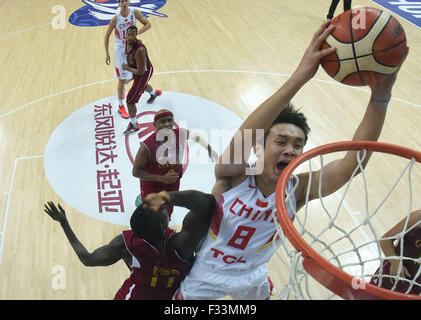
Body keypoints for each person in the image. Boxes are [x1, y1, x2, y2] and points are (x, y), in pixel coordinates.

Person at [174, 20, 409, 300]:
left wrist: (381, 97)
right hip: (208, 273)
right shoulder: (232, 175)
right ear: (259, 148)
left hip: (254, 275)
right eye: (281, 141)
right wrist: (301, 76)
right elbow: (248, 131)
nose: (290, 150)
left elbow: (351, 165)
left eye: (298, 145)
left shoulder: (296, 189)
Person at [43, 189, 217, 300]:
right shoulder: (181, 245)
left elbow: (87, 259)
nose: (166, 209)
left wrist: (64, 223)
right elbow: (207, 204)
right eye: (163, 209)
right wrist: (168, 197)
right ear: (165, 226)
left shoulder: (125, 244)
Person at [132, 109, 218, 217]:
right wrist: (161, 178)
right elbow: (136, 171)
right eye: (162, 121)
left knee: (167, 211)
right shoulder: (147, 147)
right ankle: (143, 199)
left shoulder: (181, 133)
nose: (167, 124)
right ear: (155, 125)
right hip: (153, 185)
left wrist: (210, 150)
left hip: (173, 182)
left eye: (170, 121)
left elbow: (197, 137)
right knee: (151, 214)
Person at [104, 0, 157, 119]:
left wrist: (137, 32)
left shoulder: (134, 13)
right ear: (119, 4)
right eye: (121, 1)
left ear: (128, 2)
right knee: (122, 79)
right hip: (120, 50)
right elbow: (107, 36)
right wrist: (107, 54)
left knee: (136, 77)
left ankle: (153, 92)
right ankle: (121, 106)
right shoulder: (116, 18)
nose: (124, 3)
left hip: (132, 48)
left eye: (126, 0)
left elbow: (148, 24)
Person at [369, 209, 421, 295]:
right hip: (392, 275)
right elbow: (386, 240)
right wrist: (395, 262)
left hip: (414, 288)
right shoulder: (418, 217)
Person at [122, 25, 162, 135]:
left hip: (144, 72)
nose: (130, 37)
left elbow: (140, 71)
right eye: (128, 34)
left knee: (130, 99)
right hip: (138, 70)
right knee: (142, 87)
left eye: (132, 35)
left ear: (136, 35)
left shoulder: (139, 49)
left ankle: (134, 125)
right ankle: (155, 93)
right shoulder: (127, 43)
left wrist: (127, 70)